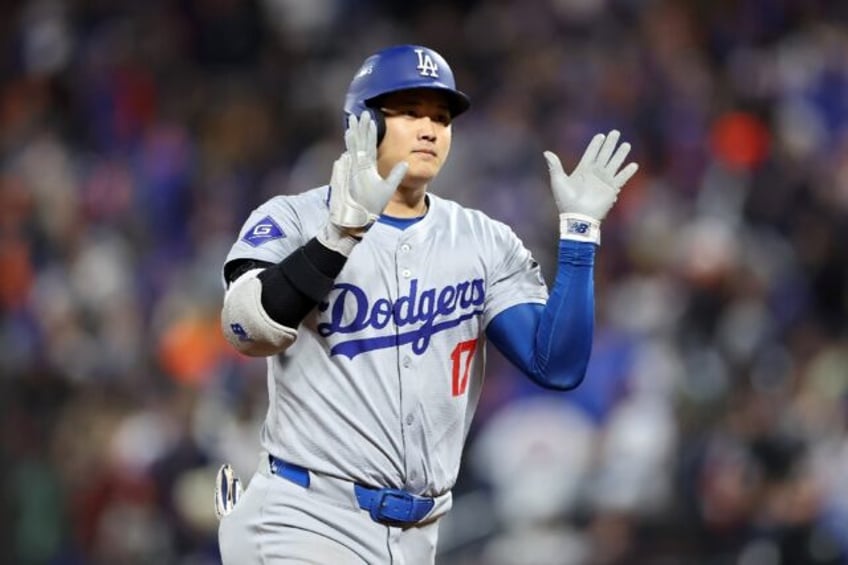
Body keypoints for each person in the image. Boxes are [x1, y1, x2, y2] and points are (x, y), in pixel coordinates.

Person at [215, 44, 638, 564]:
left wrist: (579, 236)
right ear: (362, 123)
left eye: (441, 117)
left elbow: (558, 365)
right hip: (305, 516)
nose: (430, 128)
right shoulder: (294, 218)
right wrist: (337, 236)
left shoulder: (483, 240)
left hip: (418, 535)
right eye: (409, 112)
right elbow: (246, 329)